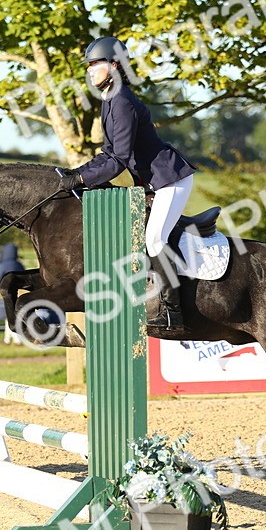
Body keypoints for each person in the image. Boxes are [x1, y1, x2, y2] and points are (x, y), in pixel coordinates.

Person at [57, 36, 197, 333]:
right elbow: (107, 154)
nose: (90, 71)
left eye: (96, 64)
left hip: (170, 179)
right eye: (90, 66)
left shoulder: (121, 102)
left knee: (155, 239)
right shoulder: (110, 100)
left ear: (115, 65)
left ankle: (173, 311)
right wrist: (76, 172)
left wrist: (81, 179)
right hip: (153, 182)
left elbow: (117, 160)